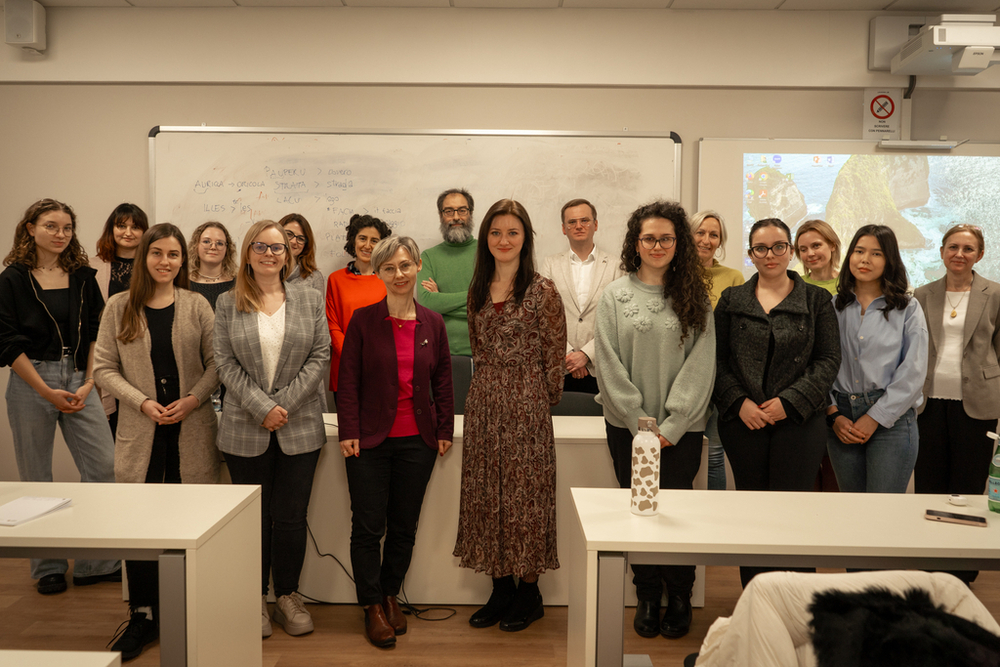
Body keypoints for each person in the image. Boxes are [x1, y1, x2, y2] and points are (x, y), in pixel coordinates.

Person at [94, 223, 219, 662]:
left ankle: (188, 608)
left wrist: (192, 399)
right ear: (144, 256)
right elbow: (104, 369)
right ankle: (143, 614)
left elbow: (216, 363)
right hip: (141, 431)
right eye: (158, 253)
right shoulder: (118, 306)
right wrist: (142, 402)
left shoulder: (196, 305)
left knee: (187, 526)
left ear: (183, 261)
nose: (166, 262)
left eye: (174, 255)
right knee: (141, 529)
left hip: (191, 430)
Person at [594, 200, 715, 640]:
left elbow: (702, 365)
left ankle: (679, 596)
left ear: (678, 243)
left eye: (667, 237)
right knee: (639, 510)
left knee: (677, 511)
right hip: (627, 428)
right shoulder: (613, 296)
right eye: (649, 238)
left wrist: (672, 424)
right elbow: (606, 362)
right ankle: (647, 594)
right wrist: (638, 421)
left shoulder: (694, 297)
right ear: (636, 243)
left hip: (681, 431)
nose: (658, 245)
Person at [454, 199, 567, 633]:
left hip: (528, 404)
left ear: (526, 239)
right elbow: (477, 351)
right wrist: (489, 392)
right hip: (484, 402)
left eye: (513, 233)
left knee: (528, 498)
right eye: (496, 232)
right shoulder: (477, 289)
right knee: (487, 495)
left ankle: (529, 592)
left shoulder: (543, 290)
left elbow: (554, 355)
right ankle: (500, 587)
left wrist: (537, 401)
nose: (504, 240)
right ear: (486, 239)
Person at [214, 219, 330, 639]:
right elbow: (224, 363)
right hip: (244, 429)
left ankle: (287, 596)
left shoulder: (309, 297)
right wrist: (263, 407)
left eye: (277, 247)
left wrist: (283, 405)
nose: (268, 253)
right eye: (260, 246)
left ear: (289, 254)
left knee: (291, 517)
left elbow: (320, 356)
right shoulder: (228, 302)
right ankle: (255, 600)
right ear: (247, 253)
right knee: (255, 521)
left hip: (299, 428)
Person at [338, 236, 454, 648]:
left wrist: (444, 430)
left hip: (417, 442)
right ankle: (370, 605)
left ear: (418, 266)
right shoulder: (363, 320)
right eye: (390, 268)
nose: (399, 274)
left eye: (405, 265)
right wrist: (348, 430)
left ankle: (390, 593)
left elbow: (442, 380)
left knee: (404, 527)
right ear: (379, 272)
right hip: (368, 441)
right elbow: (347, 381)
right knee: (368, 526)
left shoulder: (433, 323)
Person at [0, 199, 119, 595]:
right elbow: (6, 343)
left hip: (79, 377)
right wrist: (45, 390)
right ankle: (47, 566)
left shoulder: (83, 276)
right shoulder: (12, 280)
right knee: (37, 477)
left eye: (67, 227)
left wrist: (88, 382)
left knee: (103, 466)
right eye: (51, 226)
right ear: (30, 228)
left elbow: (98, 331)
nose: (60, 234)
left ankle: (95, 563)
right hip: (32, 379)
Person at [714, 218, 840, 588]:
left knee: (793, 514)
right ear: (751, 254)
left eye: (779, 246)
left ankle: (796, 597)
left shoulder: (817, 300)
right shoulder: (732, 300)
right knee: (752, 513)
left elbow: (829, 359)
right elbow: (717, 361)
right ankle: (755, 595)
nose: (770, 255)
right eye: (761, 248)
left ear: (791, 251)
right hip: (743, 422)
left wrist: (790, 401)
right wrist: (739, 403)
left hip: (800, 422)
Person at [914, 224, 1000, 585]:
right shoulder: (923, 293)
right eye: (953, 247)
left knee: (967, 489)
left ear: (979, 254)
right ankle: (930, 565)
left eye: (968, 248)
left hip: (978, 404)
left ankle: (961, 572)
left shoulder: (994, 294)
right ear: (942, 251)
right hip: (928, 403)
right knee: (929, 486)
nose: (959, 254)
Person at [826, 225, 928, 494]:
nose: (865, 259)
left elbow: (914, 372)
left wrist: (874, 417)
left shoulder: (907, 307)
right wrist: (833, 414)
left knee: (883, 515)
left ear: (890, 260)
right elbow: (820, 365)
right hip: (842, 421)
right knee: (852, 512)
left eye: (876, 253)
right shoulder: (832, 306)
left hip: (891, 421)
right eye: (859, 251)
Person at [540, 198, 623, 395]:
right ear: (563, 228)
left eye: (585, 220)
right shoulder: (549, 265)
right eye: (572, 222)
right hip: (560, 368)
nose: (578, 226)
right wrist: (569, 355)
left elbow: (618, 318)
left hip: (601, 369)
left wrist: (586, 355)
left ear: (595, 225)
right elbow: (543, 316)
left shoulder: (616, 266)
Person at [691, 209, 744, 492]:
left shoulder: (734, 277)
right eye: (700, 232)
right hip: (685, 377)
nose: (706, 239)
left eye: (714, 234)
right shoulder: (674, 275)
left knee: (713, 454)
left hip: (719, 376)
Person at [92, 203, 149, 430]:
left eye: (135, 227)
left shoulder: (153, 266)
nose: (128, 232)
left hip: (142, 357)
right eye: (121, 226)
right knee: (111, 431)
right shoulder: (93, 268)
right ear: (111, 229)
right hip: (107, 358)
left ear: (145, 233)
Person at [325, 214, 391, 396]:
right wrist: (352, 356)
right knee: (348, 424)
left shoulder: (389, 279)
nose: (367, 245)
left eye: (374, 240)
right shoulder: (335, 279)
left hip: (381, 368)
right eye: (362, 238)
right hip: (346, 367)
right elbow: (332, 325)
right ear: (353, 240)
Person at [418, 188, 478, 356]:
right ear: (440, 215)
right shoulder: (428, 257)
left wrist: (441, 301)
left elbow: (493, 305)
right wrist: (476, 295)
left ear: (471, 214)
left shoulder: (488, 252)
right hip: (440, 353)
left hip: (483, 354)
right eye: (449, 211)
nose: (456, 217)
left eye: (462, 210)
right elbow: (427, 304)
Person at [187, 221, 236, 310]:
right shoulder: (184, 284)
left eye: (219, 243)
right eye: (206, 241)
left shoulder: (239, 285)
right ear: (196, 245)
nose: (213, 247)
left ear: (227, 249)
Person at [279, 213, 326, 295]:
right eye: (289, 234)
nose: (294, 242)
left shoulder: (314, 278)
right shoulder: (263, 270)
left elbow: (319, 308)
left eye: (300, 238)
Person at [794, 219, 841, 296]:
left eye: (816, 246)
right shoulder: (796, 286)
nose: (810, 254)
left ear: (832, 245)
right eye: (803, 249)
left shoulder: (849, 284)